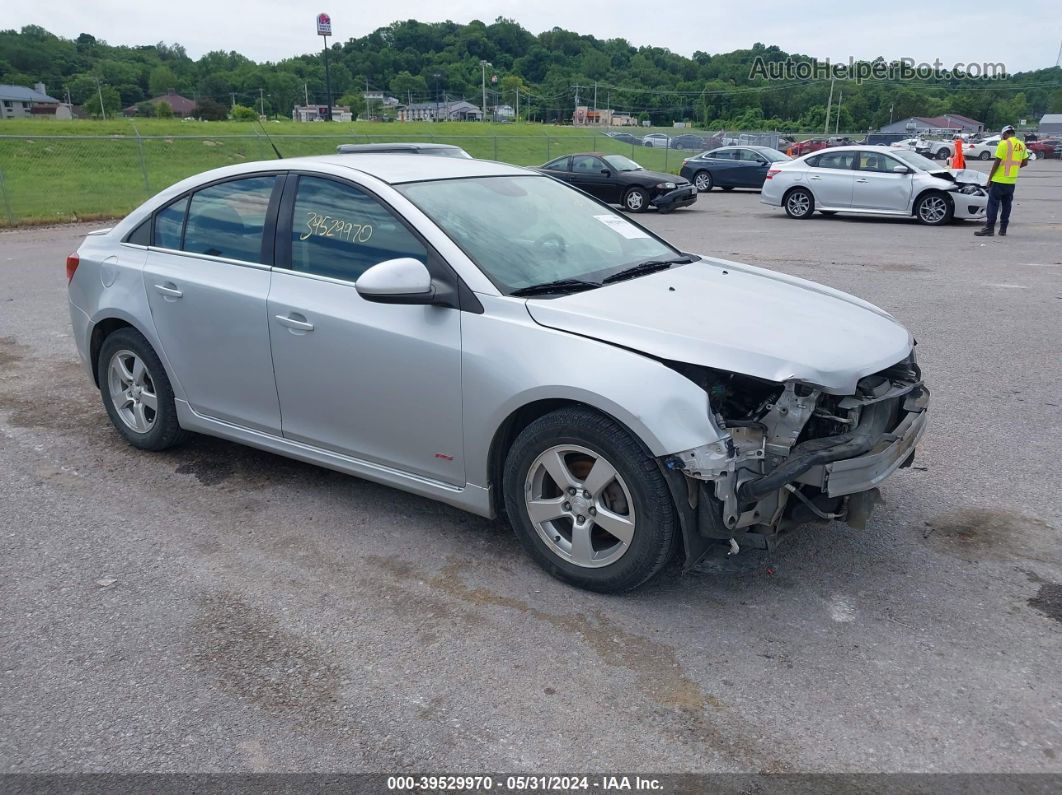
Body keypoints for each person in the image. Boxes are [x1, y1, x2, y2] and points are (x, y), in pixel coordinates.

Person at [975, 125, 1029, 237]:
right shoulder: (1021, 145)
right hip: (1011, 182)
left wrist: (989, 179)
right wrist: (1014, 169)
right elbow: (1025, 162)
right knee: (1007, 205)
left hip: (999, 180)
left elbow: (997, 162)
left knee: (993, 205)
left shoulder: (1003, 143)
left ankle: (989, 228)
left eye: (1002, 135)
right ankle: (1003, 229)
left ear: (1005, 134)